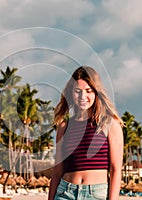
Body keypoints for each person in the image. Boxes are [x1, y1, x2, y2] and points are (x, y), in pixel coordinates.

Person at [48, 66, 124, 200]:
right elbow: (57, 172)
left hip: (96, 194)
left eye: (88, 91)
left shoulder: (109, 124)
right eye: (78, 91)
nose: (83, 96)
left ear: (96, 92)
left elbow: (116, 170)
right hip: (65, 193)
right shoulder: (64, 127)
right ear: (71, 93)